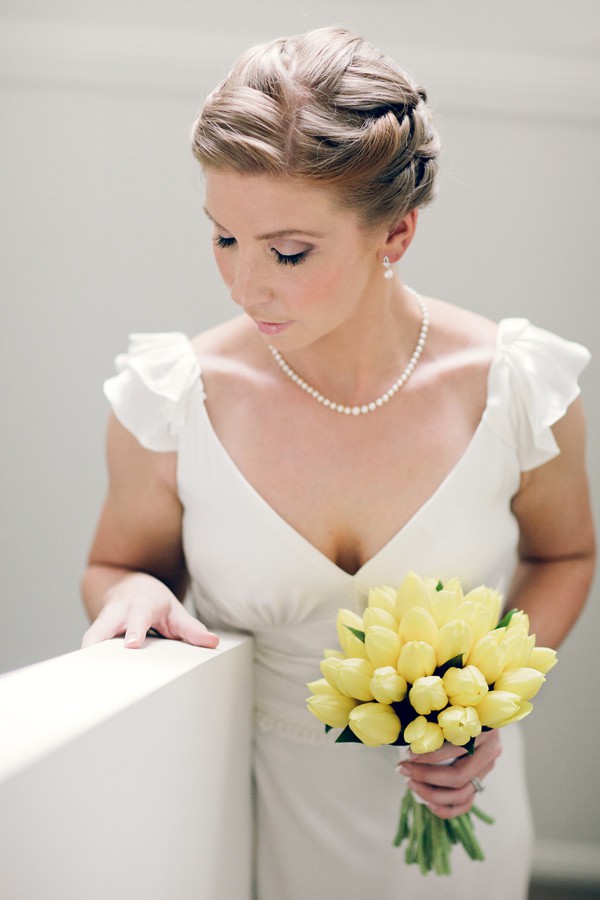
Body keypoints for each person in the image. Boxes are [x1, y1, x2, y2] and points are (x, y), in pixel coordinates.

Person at [81, 25, 595, 899]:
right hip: (258, 815)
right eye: (223, 240)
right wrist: (130, 593)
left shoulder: (515, 384)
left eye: (287, 252)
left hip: (460, 805)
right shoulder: (172, 398)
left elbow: (565, 554)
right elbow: (116, 566)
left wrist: (486, 700)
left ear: (395, 234)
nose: (246, 288)